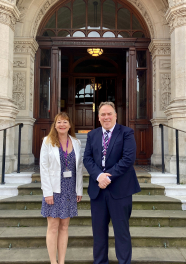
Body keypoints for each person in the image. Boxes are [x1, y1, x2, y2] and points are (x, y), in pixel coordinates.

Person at [83, 102, 141, 264]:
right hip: (98, 191)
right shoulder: (92, 135)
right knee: (99, 233)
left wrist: (107, 177)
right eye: (103, 114)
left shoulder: (126, 133)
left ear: (115, 115)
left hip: (120, 190)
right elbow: (87, 159)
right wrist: (98, 176)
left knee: (121, 232)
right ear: (98, 118)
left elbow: (128, 159)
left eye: (109, 114)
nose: (106, 117)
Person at [40, 112, 83, 264]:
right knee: (53, 227)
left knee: (64, 227)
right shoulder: (47, 141)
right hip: (53, 190)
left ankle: (62, 261)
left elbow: (79, 168)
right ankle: (53, 262)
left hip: (70, 190)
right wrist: (47, 193)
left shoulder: (76, 143)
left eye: (65, 122)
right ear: (55, 125)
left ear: (70, 125)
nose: (62, 124)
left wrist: (79, 190)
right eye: (59, 122)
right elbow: (43, 168)